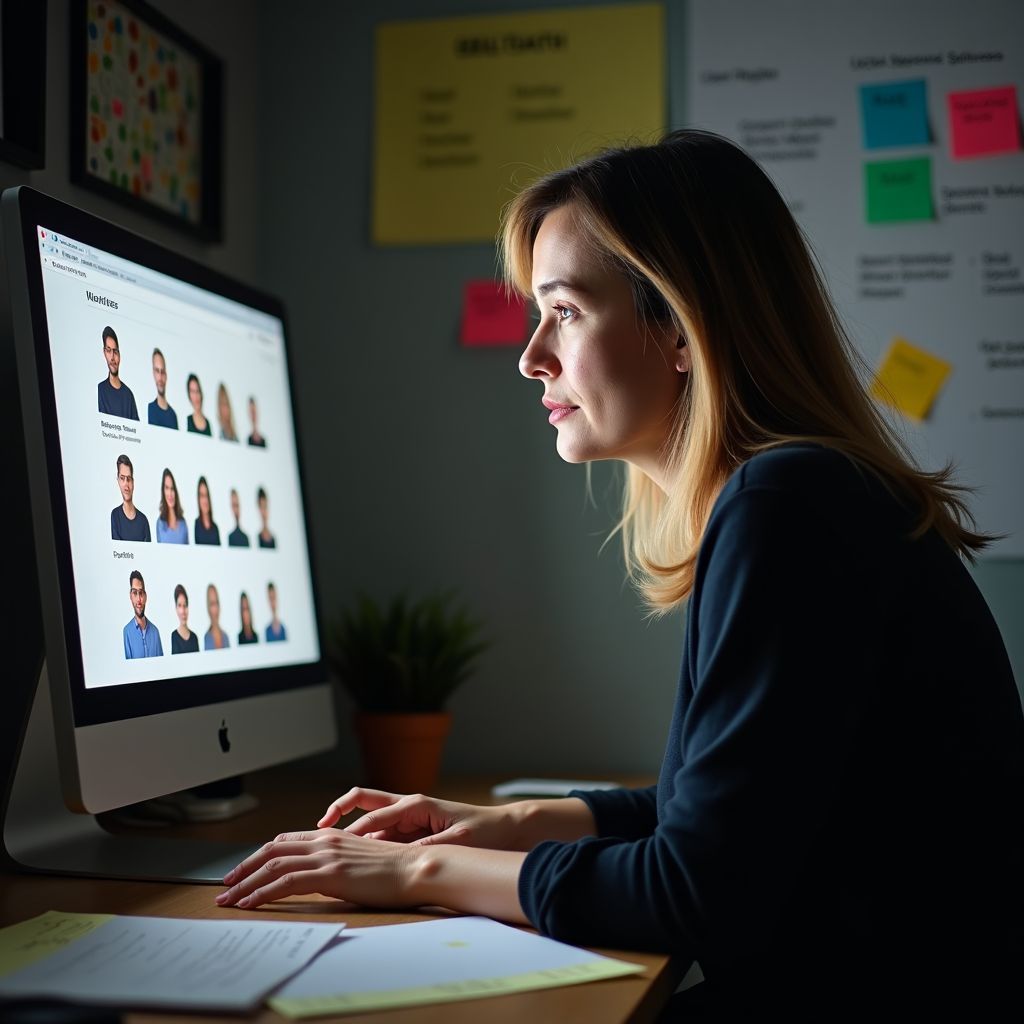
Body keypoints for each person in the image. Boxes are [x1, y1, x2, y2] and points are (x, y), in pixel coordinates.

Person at [215, 132, 1023, 1019]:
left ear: (678, 327)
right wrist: (512, 823)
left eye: (563, 310)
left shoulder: (787, 506)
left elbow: (696, 888)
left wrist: (418, 866)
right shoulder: (801, 494)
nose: (531, 356)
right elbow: (723, 812)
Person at [97, 326, 139, 420]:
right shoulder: (100, 389)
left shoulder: (128, 395)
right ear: (104, 353)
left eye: (115, 352)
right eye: (108, 351)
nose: (112, 357)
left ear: (119, 355)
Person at [110, 454, 151, 542]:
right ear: (118, 480)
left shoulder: (143, 520)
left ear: (133, 482)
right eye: (122, 478)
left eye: (129, 479)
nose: (126, 484)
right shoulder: (115, 515)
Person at [123, 569, 162, 658]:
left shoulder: (155, 632)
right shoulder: (126, 632)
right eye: (135, 593)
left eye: (141, 593)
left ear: (145, 597)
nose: (138, 599)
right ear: (130, 596)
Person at [147, 348, 178, 429]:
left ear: (166, 375)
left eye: (162, 371)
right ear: (153, 373)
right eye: (157, 371)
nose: (160, 377)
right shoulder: (150, 409)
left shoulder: (173, 415)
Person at [156, 467, 188, 544]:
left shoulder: (183, 523)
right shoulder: (160, 523)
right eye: (167, 488)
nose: (170, 493)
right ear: (163, 491)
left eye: (172, 488)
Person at [170, 583, 199, 654]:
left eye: (185, 605)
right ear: (176, 608)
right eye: (179, 606)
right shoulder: (174, 636)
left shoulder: (194, 638)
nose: (183, 611)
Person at [194, 476, 220, 545]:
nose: (205, 500)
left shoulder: (215, 527)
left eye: (206, 495)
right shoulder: (196, 524)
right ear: (198, 499)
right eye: (202, 496)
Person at [203, 583, 229, 651]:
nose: (216, 608)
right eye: (212, 604)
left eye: (217, 603)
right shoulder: (206, 638)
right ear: (208, 608)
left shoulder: (225, 637)